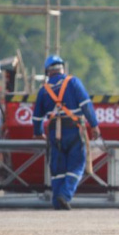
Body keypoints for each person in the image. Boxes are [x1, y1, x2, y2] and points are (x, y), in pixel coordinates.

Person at [32, 55, 100, 210]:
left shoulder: (44, 90)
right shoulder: (73, 82)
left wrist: (38, 132)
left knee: (58, 168)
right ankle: (65, 195)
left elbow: (36, 117)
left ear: (47, 72)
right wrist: (94, 125)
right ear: (62, 68)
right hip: (74, 129)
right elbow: (86, 105)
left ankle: (57, 202)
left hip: (54, 132)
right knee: (77, 165)